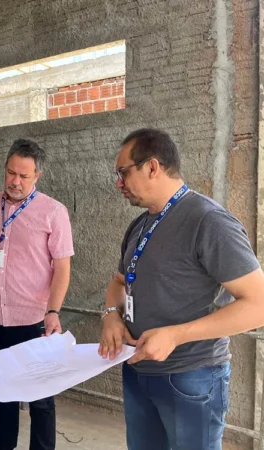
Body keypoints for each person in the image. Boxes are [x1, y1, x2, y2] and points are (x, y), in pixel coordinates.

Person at [98, 128, 264, 450]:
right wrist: (111, 315)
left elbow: (258, 304)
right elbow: (119, 282)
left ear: (152, 167)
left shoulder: (209, 221)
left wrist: (176, 335)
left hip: (191, 376)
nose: (119, 183)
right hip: (137, 369)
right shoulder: (140, 224)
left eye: (123, 172)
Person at [0, 138, 74, 450]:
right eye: (10, 173)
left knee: (41, 399)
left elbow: (62, 267)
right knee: (3, 393)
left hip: (34, 323)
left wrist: (53, 311)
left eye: (23, 176)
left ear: (37, 176)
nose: (15, 181)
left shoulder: (53, 212)